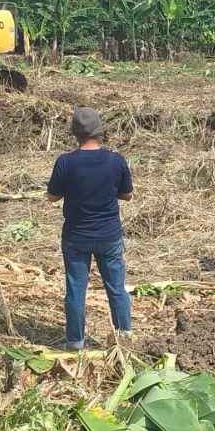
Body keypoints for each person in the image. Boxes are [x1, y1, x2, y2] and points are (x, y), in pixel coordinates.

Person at [46, 107, 135, 350]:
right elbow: (127, 194)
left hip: (76, 237)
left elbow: (52, 197)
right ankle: (124, 337)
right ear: (100, 131)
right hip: (109, 235)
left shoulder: (65, 162)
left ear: (75, 133)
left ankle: (75, 342)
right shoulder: (115, 160)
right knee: (116, 288)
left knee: (75, 289)